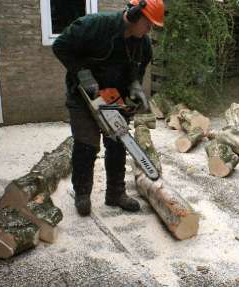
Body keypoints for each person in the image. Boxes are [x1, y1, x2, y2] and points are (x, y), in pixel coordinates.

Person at [52, 0, 164, 216]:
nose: (149, 30)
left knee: (118, 142)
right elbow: (61, 46)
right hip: (84, 95)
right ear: (133, 15)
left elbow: (137, 72)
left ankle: (115, 193)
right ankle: (83, 195)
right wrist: (82, 73)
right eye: (148, 24)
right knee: (87, 144)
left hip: (114, 97)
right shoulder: (94, 25)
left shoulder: (143, 45)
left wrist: (135, 87)